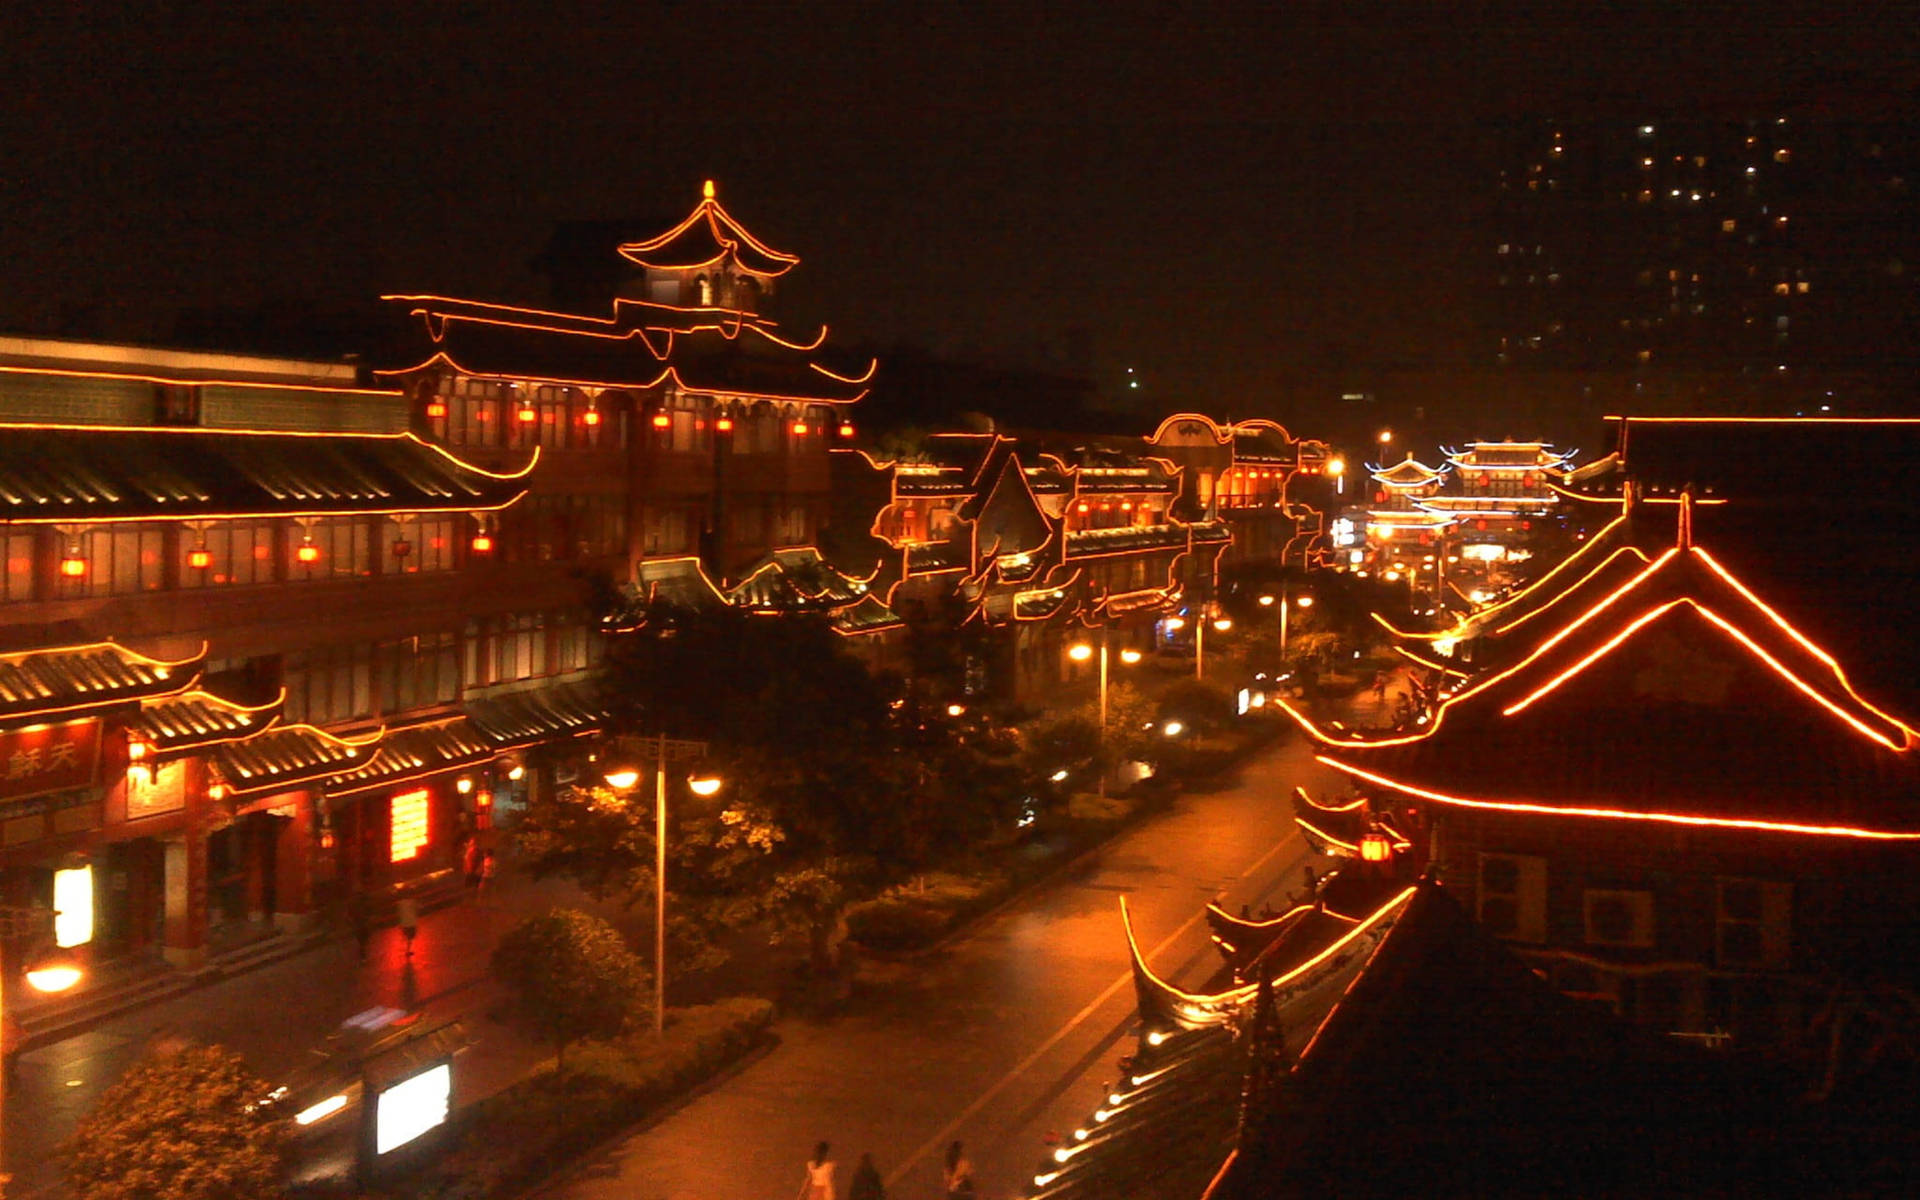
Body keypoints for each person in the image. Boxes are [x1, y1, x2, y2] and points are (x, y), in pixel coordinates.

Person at [346, 890, 373, 963]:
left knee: (363, 940)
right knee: (362, 941)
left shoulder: (358, 904)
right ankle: (363, 956)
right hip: (359, 924)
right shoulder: (357, 904)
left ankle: (362, 955)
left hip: (360, 924)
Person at [395, 894, 419, 959]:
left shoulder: (400, 903)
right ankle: (407, 950)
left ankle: (406, 950)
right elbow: (417, 909)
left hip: (404, 922)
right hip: (411, 922)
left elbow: (399, 913)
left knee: (406, 936)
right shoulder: (413, 902)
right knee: (410, 938)